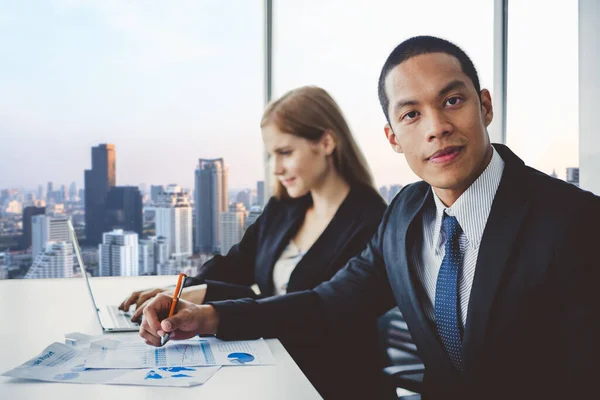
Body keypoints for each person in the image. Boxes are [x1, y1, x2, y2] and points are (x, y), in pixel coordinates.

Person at [140, 36, 599, 399]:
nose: (435, 126)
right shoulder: (403, 217)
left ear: (485, 106)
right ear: (393, 137)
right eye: (412, 114)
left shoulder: (574, 221)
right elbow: (326, 303)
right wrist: (210, 317)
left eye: (452, 102)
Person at [122, 86, 393, 399]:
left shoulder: (372, 221)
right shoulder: (286, 207)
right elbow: (236, 266)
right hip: (273, 368)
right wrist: (180, 296)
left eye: (285, 152)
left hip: (332, 384)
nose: (276, 168)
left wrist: (208, 315)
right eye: (271, 156)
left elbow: (312, 307)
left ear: (327, 142)